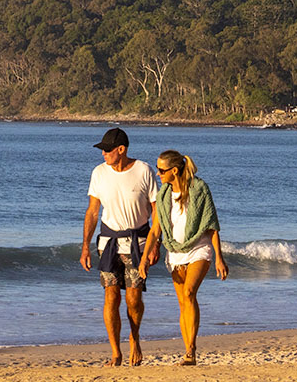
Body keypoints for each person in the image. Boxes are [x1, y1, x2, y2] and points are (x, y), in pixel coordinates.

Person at [137, 149, 228, 365]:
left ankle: (191, 349)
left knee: (188, 293)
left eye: (161, 170)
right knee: (183, 302)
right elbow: (156, 229)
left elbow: (212, 225)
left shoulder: (199, 189)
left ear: (174, 170)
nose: (158, 174)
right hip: (175, 251)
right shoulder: (163, 195)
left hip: (199, 248)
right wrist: (144, 258)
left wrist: (219, 258)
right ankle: (188, 351)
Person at [78, 127, 156, 366]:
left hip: (137, 243)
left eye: (107, 150)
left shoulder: (144, 170)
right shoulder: (99, 173)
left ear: (121, 150)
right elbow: (92, 212)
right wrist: (85, 247)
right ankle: (115, 352)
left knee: (133, 298)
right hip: (108, 243)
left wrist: (155, 244)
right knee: (111, 297)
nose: (103, 154)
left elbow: (158, 212)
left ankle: (134, 338)